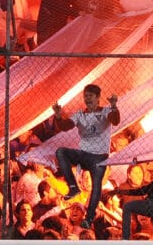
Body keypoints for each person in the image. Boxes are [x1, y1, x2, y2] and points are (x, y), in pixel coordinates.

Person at [51, 84, 120, 229]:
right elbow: (65, 126)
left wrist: (113, 106)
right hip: (84, 154)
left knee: (96, 186)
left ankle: (88, 218)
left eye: (90, 96)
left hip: (99, 157)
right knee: (61, 152)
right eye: (85, 96)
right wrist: (58, 115)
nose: (87, 98)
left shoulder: (106, 112)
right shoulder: (80, 115)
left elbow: (115, 120)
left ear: (98, 98)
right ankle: (73, 187)